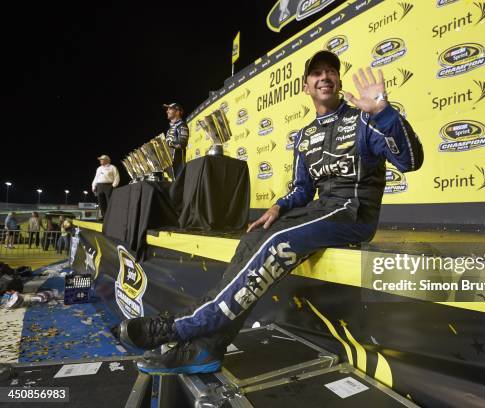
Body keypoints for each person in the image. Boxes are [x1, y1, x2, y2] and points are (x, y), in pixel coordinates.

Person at [118, 50, 424, 375]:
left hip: (353, 213)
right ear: (306, 86)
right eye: (316, 73)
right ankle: (206, 350)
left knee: (274, 241)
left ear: (338, 80)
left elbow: (410, 161)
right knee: (251, 241)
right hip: (320, 210)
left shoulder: (365, 119)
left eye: (330, 71)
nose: (324, 76)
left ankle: (182, 327)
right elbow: (302, 190)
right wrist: (279, 207)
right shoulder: (305, 136)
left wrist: (382, 111)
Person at [163, 102, 189, 179]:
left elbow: (182, 143)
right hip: (169, 165)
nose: (167, 111)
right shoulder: (169, 129)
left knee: (179, 185)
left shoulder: (181, 125)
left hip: (178, 164)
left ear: (177, 112)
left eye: (170, 109)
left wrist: (169, 143)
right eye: (167, 109)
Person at [92, 154, 120, 219]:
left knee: (109, 201)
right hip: (99, 186)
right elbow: (96, 177)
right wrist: (93, 186)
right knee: (101, 202)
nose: (100, 161)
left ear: (107, 160)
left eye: (102, 159)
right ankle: (104, 216)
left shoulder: (112, 167)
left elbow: (117, 177)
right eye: (100, 160)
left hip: (109, 185)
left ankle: (111, 216)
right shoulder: (99, 168)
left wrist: (113, 186)